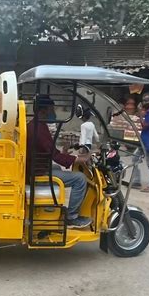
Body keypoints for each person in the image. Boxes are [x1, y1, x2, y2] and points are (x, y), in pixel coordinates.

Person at [26, 95, 92, 229]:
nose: (53, 112)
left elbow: (49, 151)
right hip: (37, 172)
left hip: (37, 168)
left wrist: (64, 153)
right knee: (80, 179)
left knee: (57, 168)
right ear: (43, 111)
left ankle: (56, 207)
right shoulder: (38, 129)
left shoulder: (36, 125)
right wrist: (78, 159)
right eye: (52, 109)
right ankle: (72, 217)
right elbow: (53, 154)